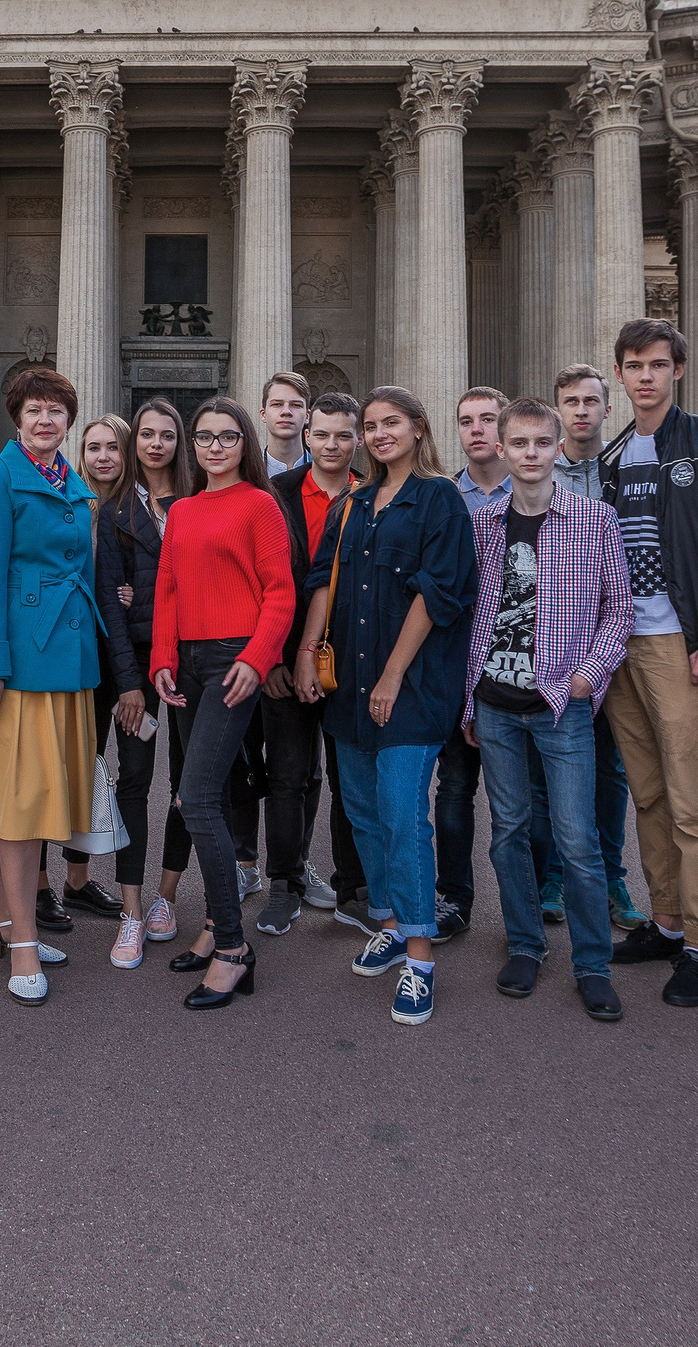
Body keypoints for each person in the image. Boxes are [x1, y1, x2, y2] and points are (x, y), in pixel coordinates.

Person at [293, 387, 476, 1027]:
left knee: (404, 816)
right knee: (364, 816)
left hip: (412, 687)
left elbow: (439, 592)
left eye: (389, 423)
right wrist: (306, 652)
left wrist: (394, 676)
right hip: (348, 686)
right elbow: (323, 582)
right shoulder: (351, 504)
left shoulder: (440, 500)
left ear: (418, 429)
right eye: (369, 426)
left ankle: (420, 959)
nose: (377, 435)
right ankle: (394, 923)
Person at [597, 320, 698, 1008]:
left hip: (681, 640)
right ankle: (664, 921)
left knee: (695, 800)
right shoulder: (610, 455)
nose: (646, 376)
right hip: (622, 643)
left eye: (658, 364)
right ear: (621, 374)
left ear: (679, 370)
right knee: (650, 792)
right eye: (634, 365)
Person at [461, 397, 634, 1020]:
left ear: (558, 449)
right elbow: (473, 613)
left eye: (542, 443)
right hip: (497, 703)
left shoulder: (594, 520)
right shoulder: (481, 524)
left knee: (577, 838)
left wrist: (591, 675)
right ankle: (526, 943)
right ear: (500, 449)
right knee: (508, 831)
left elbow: (619, 610)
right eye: (519, 443)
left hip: (562, 704)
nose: (530, 454)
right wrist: (470, 699)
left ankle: (592, 961)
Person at [0, 365, 99, 1007]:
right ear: (17, 417)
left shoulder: (71, 482)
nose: (46, 421)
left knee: (44, 797)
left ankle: (2, 919)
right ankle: (20, 943)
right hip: (19, 661)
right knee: (21, 803)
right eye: (35, 410)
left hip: (67, 656)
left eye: (57, 412)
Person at [152, 397, 298, 1009]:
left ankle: (235, 948)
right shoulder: (181, 510)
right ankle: (215, 926)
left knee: (198, 798)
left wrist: (256, 659)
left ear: (245, 444)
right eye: (205, 437)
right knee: (196, 796)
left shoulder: (260, 505)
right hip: (186, 661)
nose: (215, 446)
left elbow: (281, 593)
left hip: (235, 660)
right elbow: (167, 589)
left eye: (228, 436)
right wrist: (161, 659)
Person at [94, 395, 199, 965]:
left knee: (188, 784)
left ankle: (165, 896)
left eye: (167, 435)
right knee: (133, 783)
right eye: (147, 434)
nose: (156, 443)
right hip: (133, 666)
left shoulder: (199, 504)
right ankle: (131, 910)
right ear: (134, 443)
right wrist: (129, 683)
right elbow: (112, 604)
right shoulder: (114, 513)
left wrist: (144, 602)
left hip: (190, 664)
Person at [264, 390, 365, 934]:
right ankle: (284, 882)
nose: (331, 444)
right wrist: (275, 660)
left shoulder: (372, 494)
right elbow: (265, 580)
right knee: (288, 777)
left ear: (358, 439)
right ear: (306, 436)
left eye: (343, 435)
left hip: (352, 659)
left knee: (348, 778)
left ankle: (353, 885)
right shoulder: (274, 493)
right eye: (321, 434)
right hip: (285, 659)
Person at [554, 364, 644, 933]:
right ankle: (552, 876)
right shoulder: (535, 471)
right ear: (558, 408)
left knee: (611, 767)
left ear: (607, 410)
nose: (582, 411)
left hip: (614, 640)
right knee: (546, 774)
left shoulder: (628, 470)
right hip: (554, 650)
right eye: (571, 402)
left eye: (592, 402)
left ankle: (611, 874)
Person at [42, 414, 137, 923]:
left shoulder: (133, 510)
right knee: (46, 765)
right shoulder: (68, 499)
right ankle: (36, 885)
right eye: (94, 446)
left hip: (107, 651)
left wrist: (131, 594)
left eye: (113, 448)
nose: (103, 456)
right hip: (62, 645)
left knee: (89, 764)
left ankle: (76, 880)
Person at [433, 384, 512, 937]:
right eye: (467, 421)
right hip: (452, 665)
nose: (477, 430)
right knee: (455, 788)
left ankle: (523, 910)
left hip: (516, 665)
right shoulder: (443, 498)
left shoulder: (538, 495)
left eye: (488, 419)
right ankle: (453, 897)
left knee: (519, 800)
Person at [261, 370, 311, 477]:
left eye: (296, 405)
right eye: (277, 404)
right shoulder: (244, 473)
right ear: (263, 414)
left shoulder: (323, 473)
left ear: (307, 416)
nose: (286, 412)